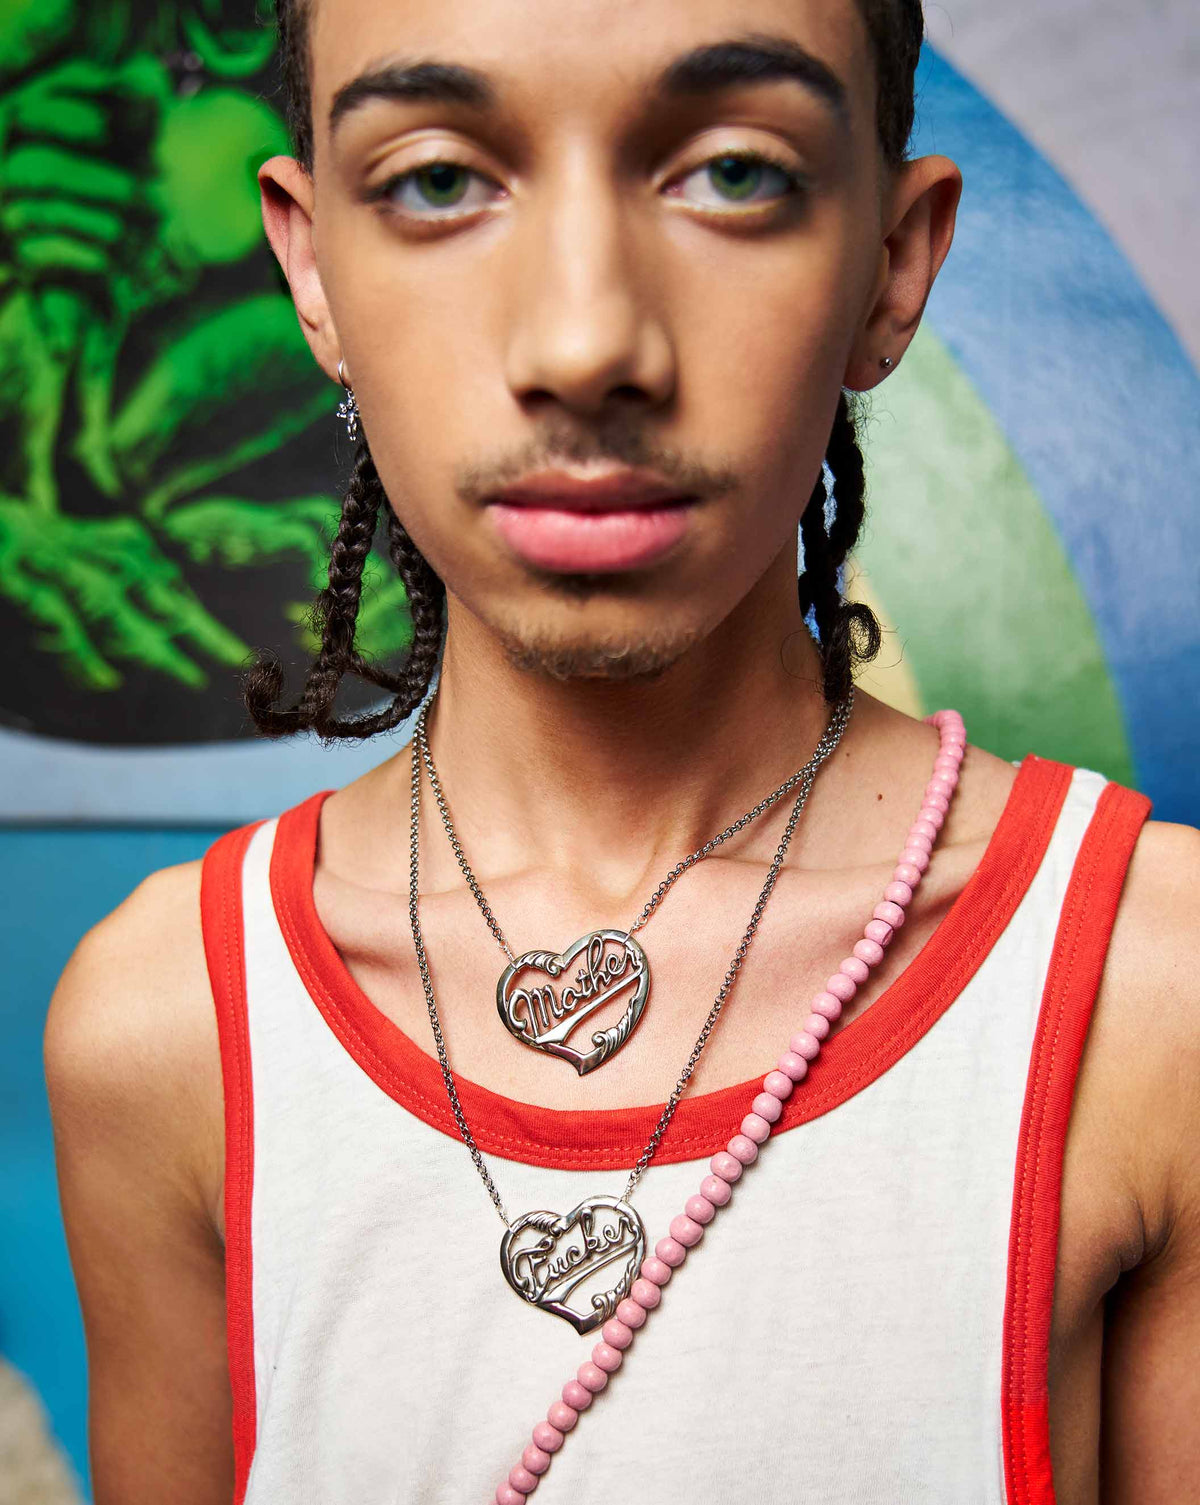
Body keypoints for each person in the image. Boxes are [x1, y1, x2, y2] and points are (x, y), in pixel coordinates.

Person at [43, 0, 1200, 1501]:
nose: (587, 345)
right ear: (312, 265)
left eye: (734, 172)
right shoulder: (164, 1029)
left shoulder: (1153, 992)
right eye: (440, 179)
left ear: (894, 263)